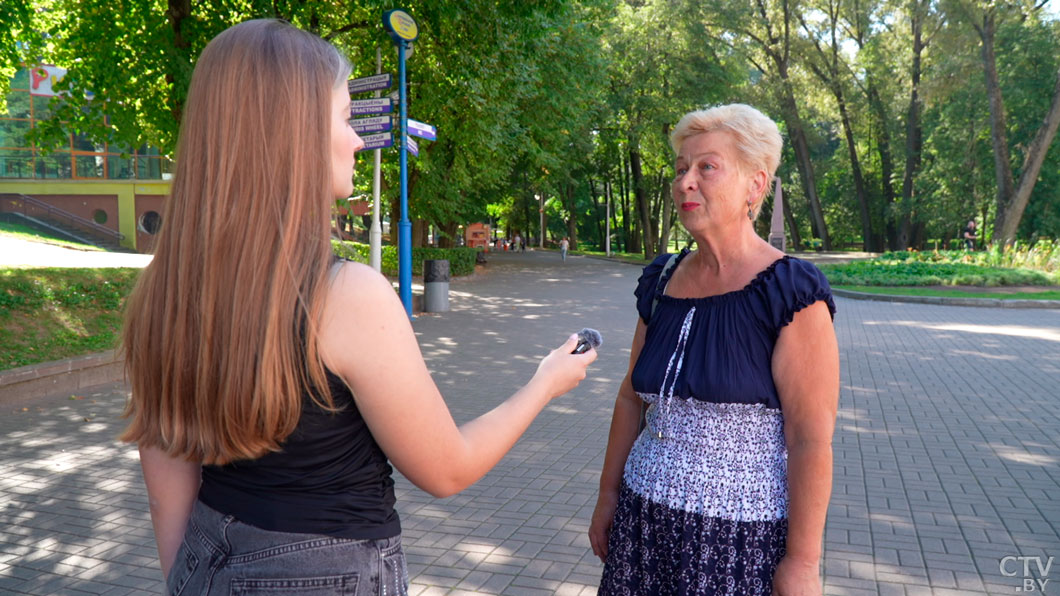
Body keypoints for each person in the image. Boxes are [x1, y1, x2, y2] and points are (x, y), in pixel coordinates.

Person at [119, 20, 596, 596]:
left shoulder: (161, 294)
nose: (358, 140)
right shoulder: (347, 295)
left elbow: (166, 478)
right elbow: (446, 468)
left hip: (203, 559)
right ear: (291, 135)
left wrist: (189, 580)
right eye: (345, 118)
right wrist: (544, 383)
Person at [588, 104, 839, 595]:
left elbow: (810, 437)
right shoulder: (661, 278)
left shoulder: (789, 290)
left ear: (755, 185)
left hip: (735, 540)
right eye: (681, 168)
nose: (685, 181)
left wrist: (803, 562)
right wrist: (608, 494)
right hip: (641, 524)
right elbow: (629, 398)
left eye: (707, 167)